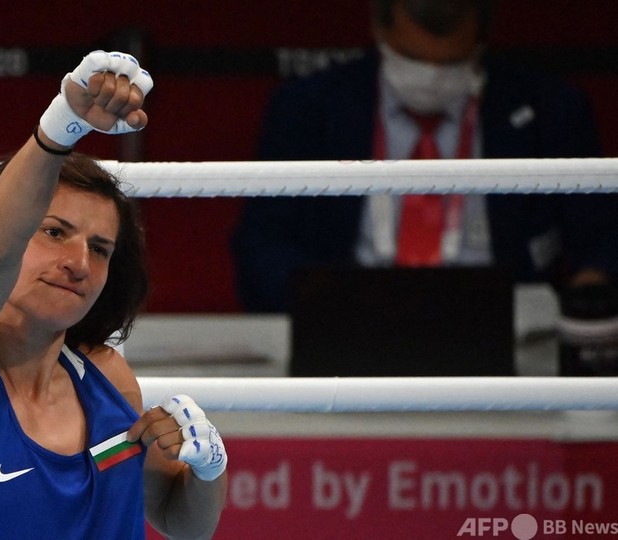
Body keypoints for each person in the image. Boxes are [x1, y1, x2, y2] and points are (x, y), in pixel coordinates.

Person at [0, 50, 227, 539]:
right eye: (55, 232)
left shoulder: (107, 377)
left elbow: (180, 522)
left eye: (99, 249)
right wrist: (61, 126)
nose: (79, 263)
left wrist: (208, 471)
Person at [231, 0, 618, 373]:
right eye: (413, 60)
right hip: (344, 339)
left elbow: (602, 234)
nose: (431, 76)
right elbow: (261, 241)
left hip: (511, 343)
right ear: (379, 29)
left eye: (450, 63)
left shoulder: (551, 109)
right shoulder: (309, 107)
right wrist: (320, 306)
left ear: (481, 40)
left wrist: (593, 285)